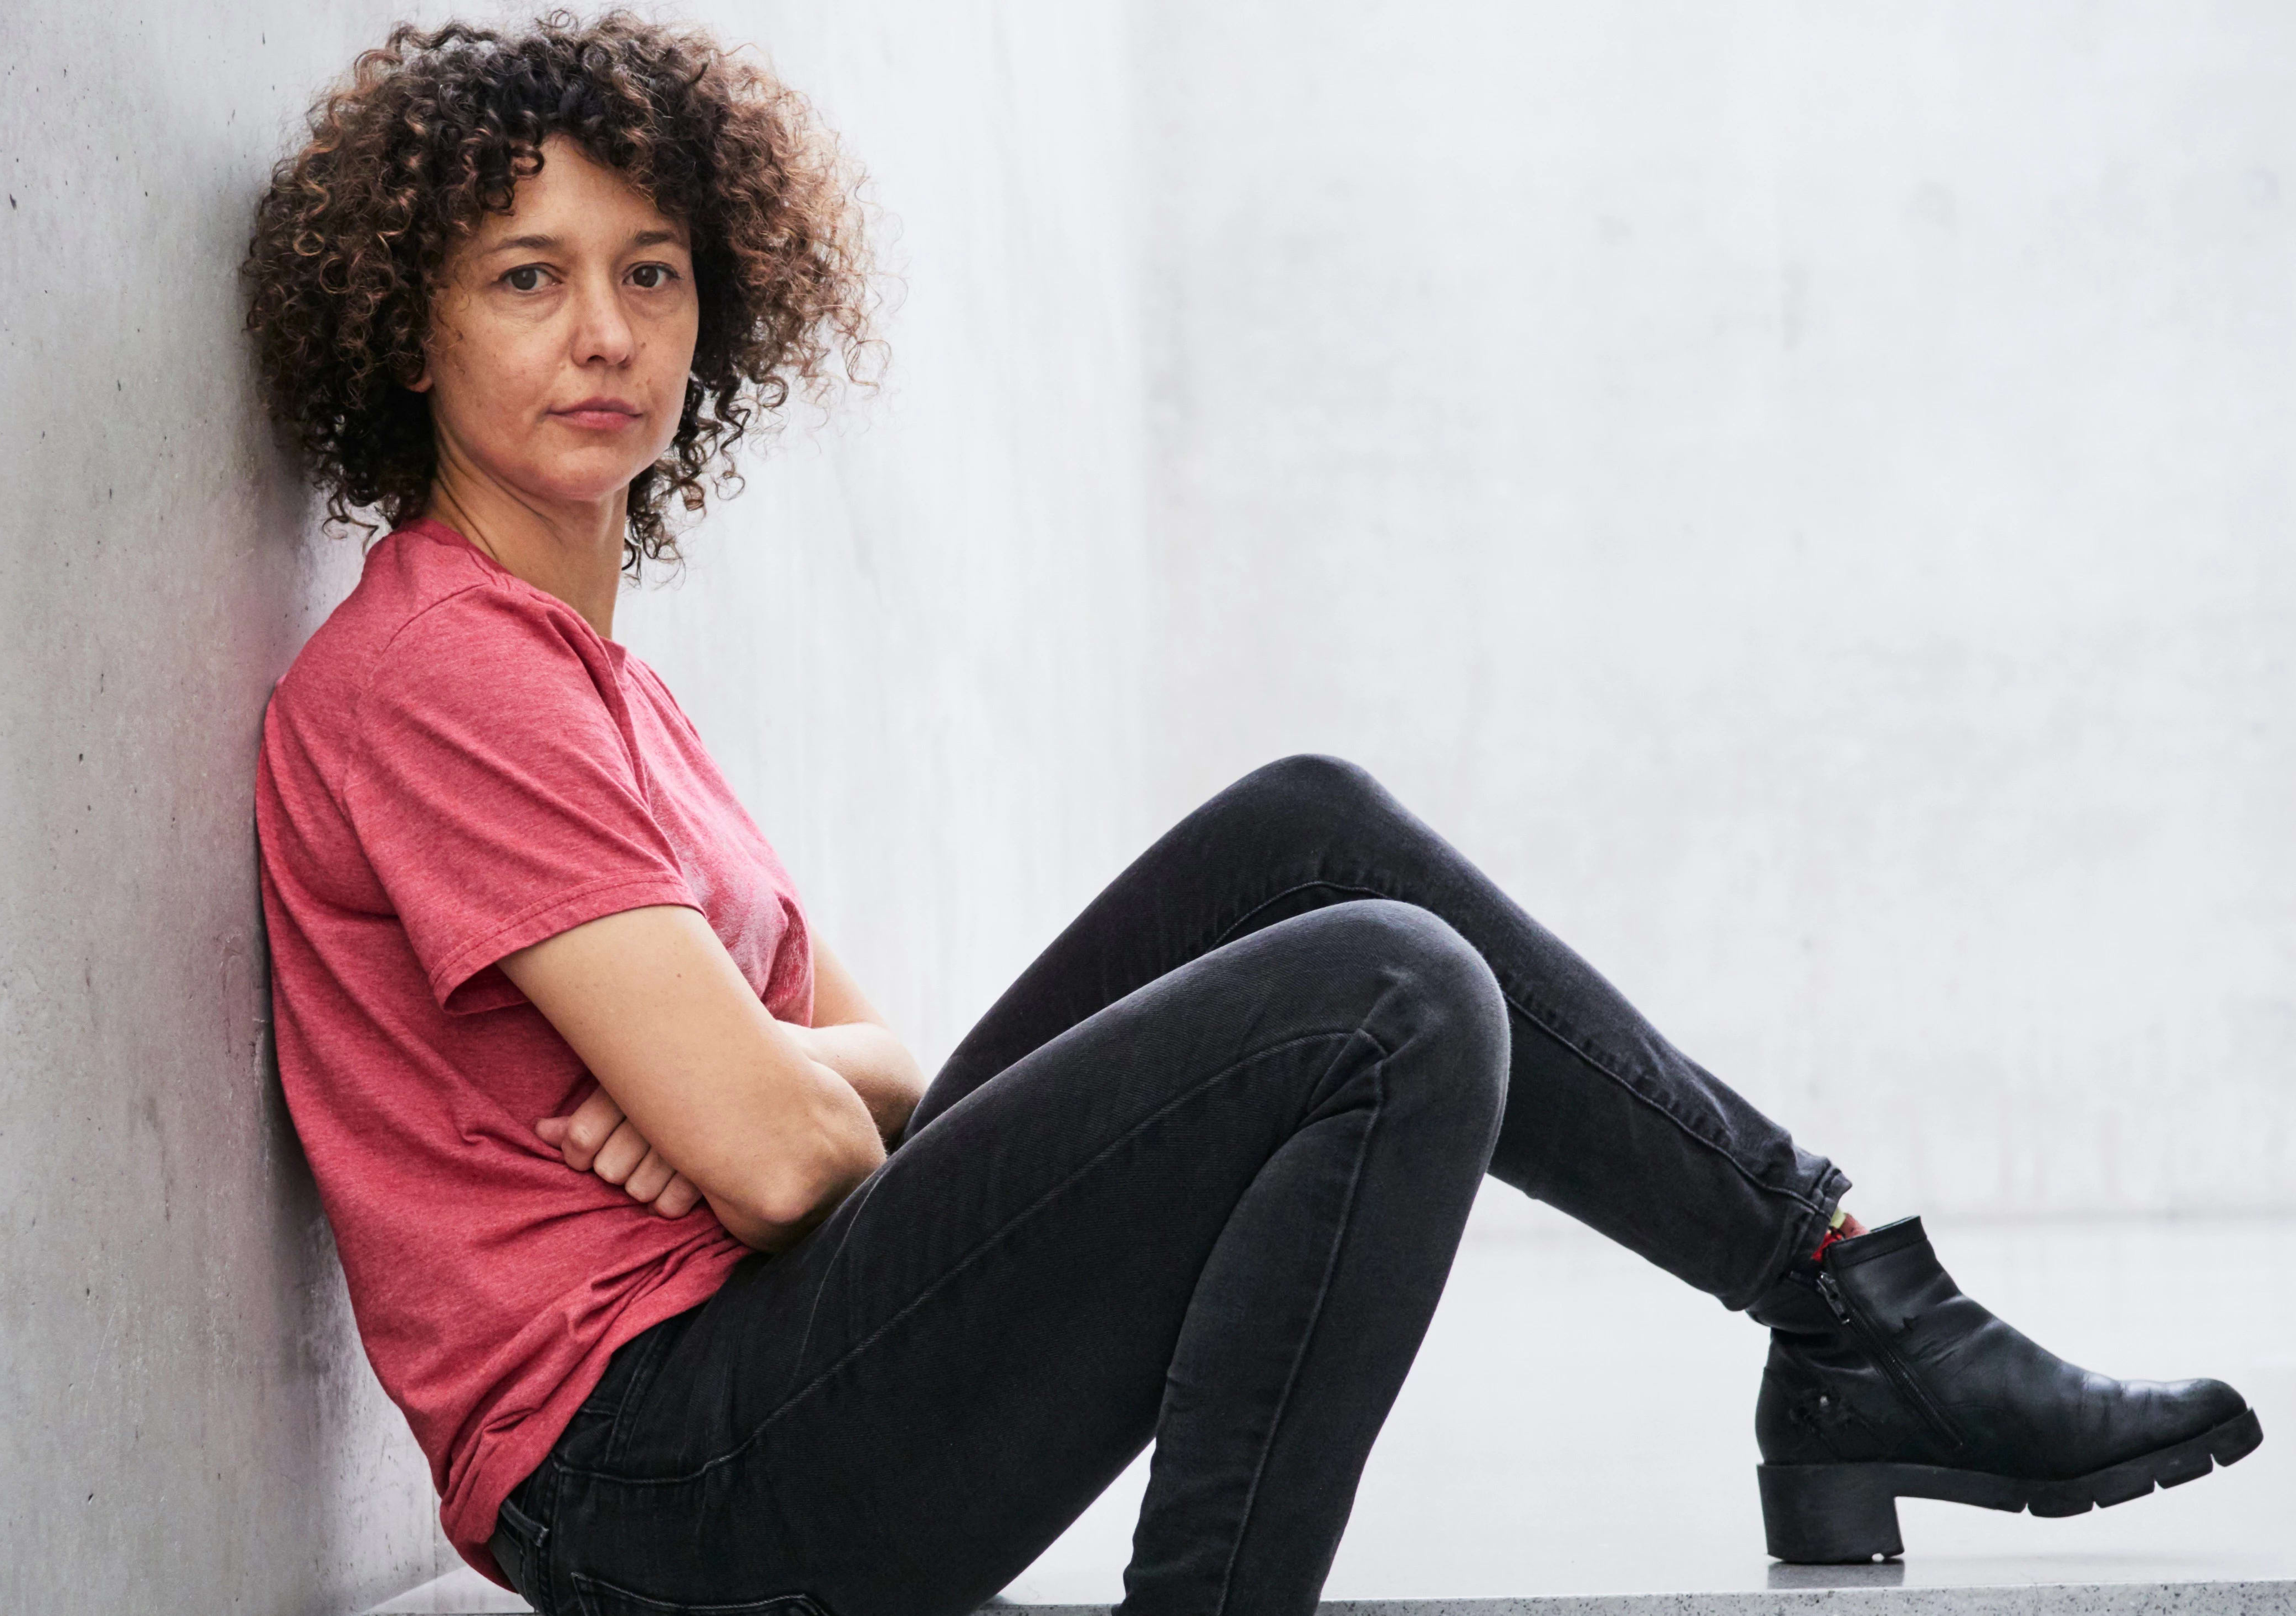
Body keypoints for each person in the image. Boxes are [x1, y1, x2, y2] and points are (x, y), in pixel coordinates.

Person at [239, 14, 2263, 1615]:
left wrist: (760, 1067)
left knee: (1310, 831)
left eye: (651, 272)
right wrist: (771, 1099)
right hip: (670, 1485)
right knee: (1388, 997)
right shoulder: (446, 673)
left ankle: (1840, 1296)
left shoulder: (605, 685)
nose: (606, 330)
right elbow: (786, 1165)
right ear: (408, 332)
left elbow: (884, 1078)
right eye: (529, 276)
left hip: (769, 1370)